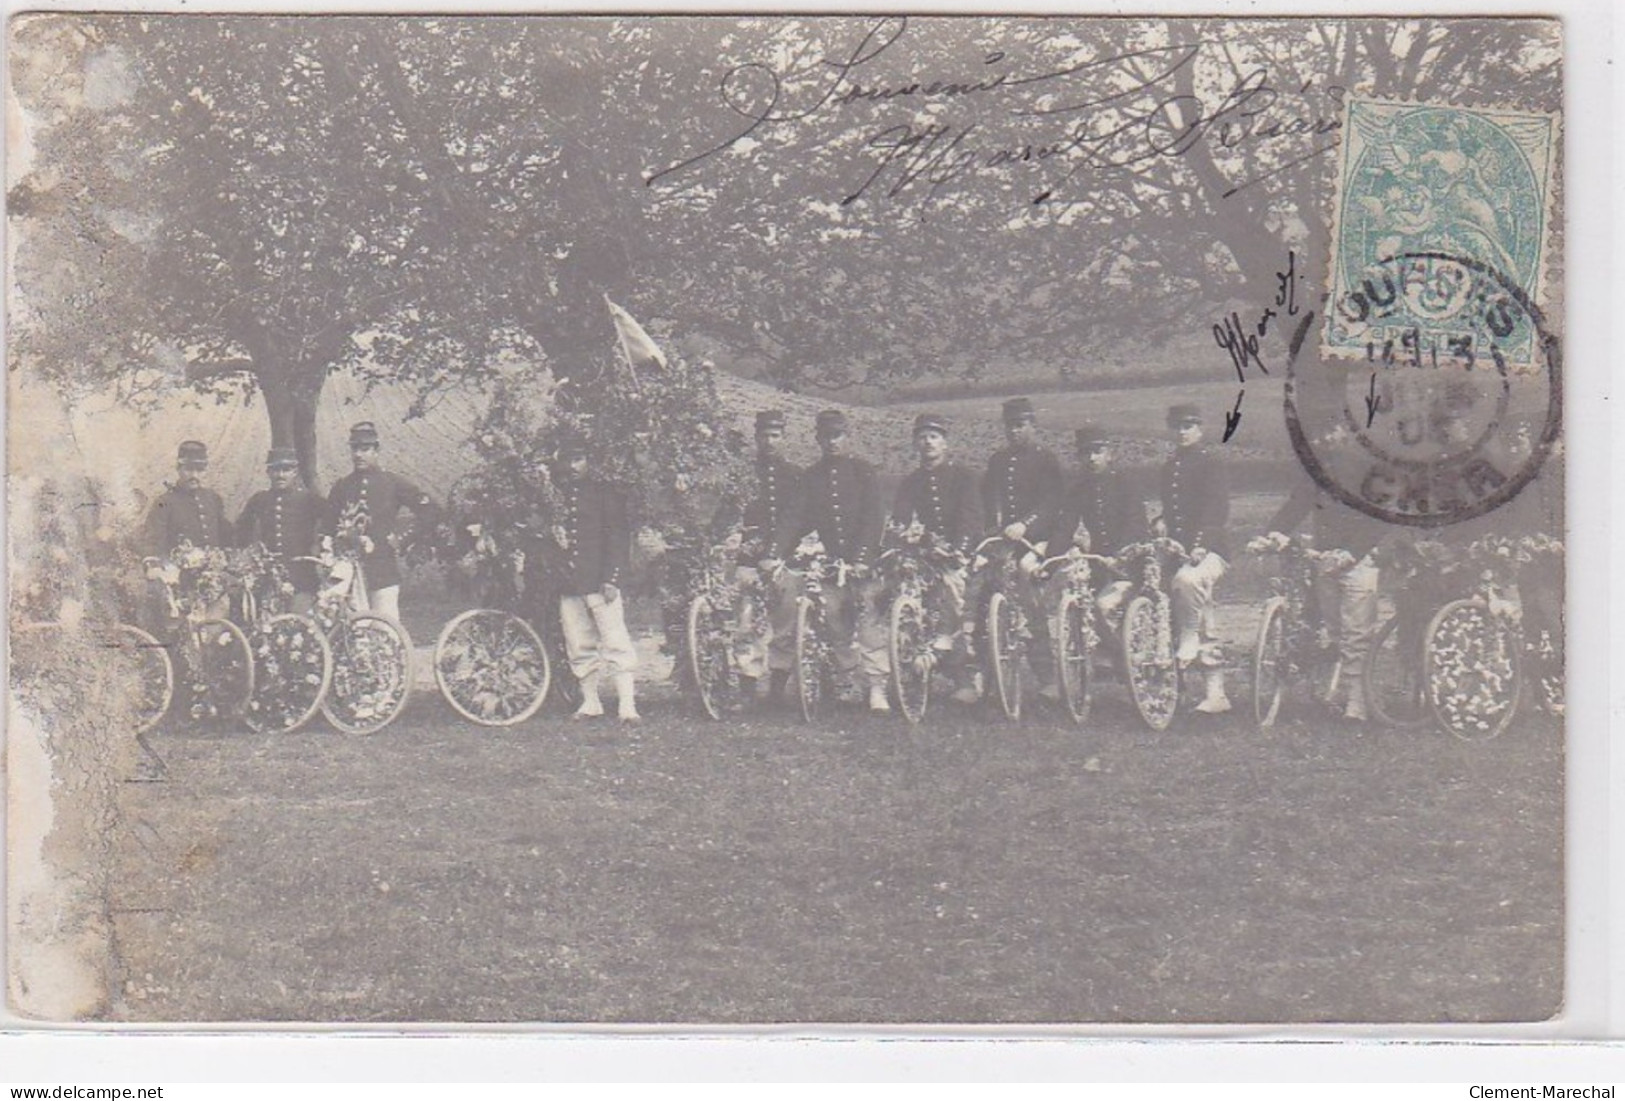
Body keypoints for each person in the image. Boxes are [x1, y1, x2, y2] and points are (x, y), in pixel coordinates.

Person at [781, 409, 889, 713]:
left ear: (847, 437)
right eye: (826, 436)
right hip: (833, 563)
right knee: (834, 620)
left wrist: (864, 558)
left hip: (864, 561)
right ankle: (848, 679)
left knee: (869, 620)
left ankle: (877, 687)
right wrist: (776, 553)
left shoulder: (863, 472)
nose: (832, 442)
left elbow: (874, 517)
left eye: (837, 435)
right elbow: (795, 518)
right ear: (817, 439)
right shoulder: (812, 477)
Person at [1265, 477, 1384, 722]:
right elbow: (1296, 505)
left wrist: (1353, 552)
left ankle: (1357, 702)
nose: (1327, 440)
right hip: (1325, 559)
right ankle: (1338, 691)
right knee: (1337, 632)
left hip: (1360, 562)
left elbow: (1379, 517)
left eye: (1333, 435)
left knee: (1357, 633)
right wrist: (1273, 532)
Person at [975, 396, 1065, 702]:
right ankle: (988, 675)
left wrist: (1026, 525)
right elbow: (989, 497)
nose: (1014, 431)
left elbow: (1053, 502)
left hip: (1038, 538)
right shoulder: (998, 460)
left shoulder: (1045, 459)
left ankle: (1047, 677)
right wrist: (991, 528)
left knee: (1028, 584)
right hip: (1005, 540)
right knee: (987, 594)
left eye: (1020, 425)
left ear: (1032, 425)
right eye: (1009, 426)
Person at [888, 413, 982, 700]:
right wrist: (901, 537)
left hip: (959, 550)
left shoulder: (963, 477)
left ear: (945, 443)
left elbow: (970, 516)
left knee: (952, 592)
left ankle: (964, 677)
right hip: (925, 552)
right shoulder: (911, 482)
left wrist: (959, 550)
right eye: (922, 437)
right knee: (905, 595)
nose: (928, 442)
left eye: (934, 437)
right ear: (916, 443)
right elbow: (901, 517)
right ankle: (912, 666)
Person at [550, 436, 639, 722]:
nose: (572, 466)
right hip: (571, 581)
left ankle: (627, 704)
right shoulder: (556, 495)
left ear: (589, 460)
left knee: (615, 640)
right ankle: (591, 702)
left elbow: (617, 536)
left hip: (600, 580)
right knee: (578, 641)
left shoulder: (605, 493)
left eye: (578, 459)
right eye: (567, 459)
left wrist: (612, 577)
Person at [320, 421, 439, 622]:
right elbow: (328, 527)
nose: (358, 455)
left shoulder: (392, 483)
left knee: (387, 628)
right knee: (355, 630)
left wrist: (403, 539)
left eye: (365, 449)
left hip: (383, 568)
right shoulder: (342, 487)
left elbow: (430, 511)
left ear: (376, 450)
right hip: (350, 572)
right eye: (355, 449)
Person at [1158, 403, 1233, 714]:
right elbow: (1173, 511)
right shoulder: (1169, 466)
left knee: (1194, 597)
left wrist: (1202, 544)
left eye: (1189, 426)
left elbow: (1217, 508)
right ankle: (1179, 691)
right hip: (1178, 551)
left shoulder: (1210, 463)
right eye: (1177, 426)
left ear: (1200, 429)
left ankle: (1216, 693)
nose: (1183, 432)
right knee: (1164, 610)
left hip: (1211, 549)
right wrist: (1159, 524)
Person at [1047, 424, 1149, 645]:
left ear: (1108, 453)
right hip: (1099, 563)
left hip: (1132, 562)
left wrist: (1120, 555)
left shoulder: (1126, 482)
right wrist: (1048, 561)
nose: (1092, 458)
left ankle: (1121, 657)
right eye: (1086, 453)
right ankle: (1103, 654)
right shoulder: (1078, 488)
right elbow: (1065, 527)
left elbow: (1136, 523)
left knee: (1103, 605)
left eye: (1097, 451)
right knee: (1081, 601)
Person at [731, 410, 803, 704]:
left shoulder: (796, 476)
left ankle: (777, 687)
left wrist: (776, 554)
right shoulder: (743, 474)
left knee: (785, 624)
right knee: (747, 623)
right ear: (756, 437)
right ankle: (747, 687)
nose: (769, 441)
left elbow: (796, 517)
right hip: (750, 560)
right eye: (764, 435)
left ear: (783, 437)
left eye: (775, 435)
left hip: (785, 560)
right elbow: (730, 512)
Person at [234, 447, 325, 614]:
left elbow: (331, 523)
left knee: (300, 626)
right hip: (269, 578)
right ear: (268, 472)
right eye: (275, 470)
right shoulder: (260, 500)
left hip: (302, 578)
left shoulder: (309, 499)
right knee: (268, 627)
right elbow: (241, 532)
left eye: (286, 470)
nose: (280, 475)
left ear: (295, 472)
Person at [145, 440, 228, 556]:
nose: (194, 476)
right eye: (188, 469)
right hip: (178, 570)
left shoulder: (213, 498)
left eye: (200, 470)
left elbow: (225, 536)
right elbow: (154, 544)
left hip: (214, 568)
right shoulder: (164, 502)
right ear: (178, 469)